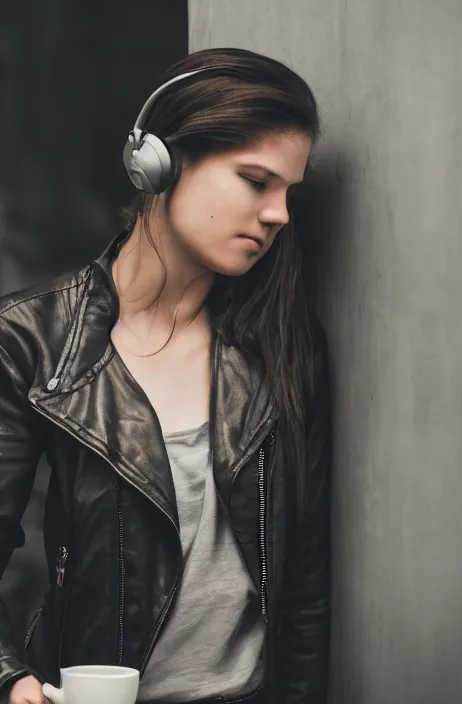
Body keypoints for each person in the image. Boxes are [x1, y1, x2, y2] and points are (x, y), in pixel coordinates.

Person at [0, 47, 332, 704]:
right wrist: (14, 683)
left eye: (289, 191)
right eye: (256, 181)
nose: (280, 215)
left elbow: (306, 595)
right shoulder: (32, 338)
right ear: (159, 163)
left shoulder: (282, 344)